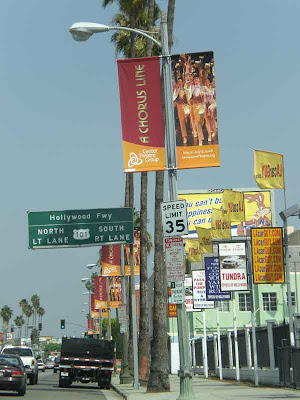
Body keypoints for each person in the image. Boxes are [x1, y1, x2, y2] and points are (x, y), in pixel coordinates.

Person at [189, 75, 206, 145]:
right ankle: (199, 137)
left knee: (199, 122)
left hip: (200, 106)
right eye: (195, 79)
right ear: (193, 80)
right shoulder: (191, 87)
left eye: (197, 79)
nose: (196, 81)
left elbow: (204, 98)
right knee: (195, 121)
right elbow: (189, 96)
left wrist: (202, 104)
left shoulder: (202, 88)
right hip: (193, 105)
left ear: (199, 80)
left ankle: (200, 137)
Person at [173, 78, 189, 144]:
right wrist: (176, 92)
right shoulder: (176, 90)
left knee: (187, 120)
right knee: (182, 121)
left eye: (181, 81)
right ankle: (184, 136)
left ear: (183, 82)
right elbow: (173, 98)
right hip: (179, 105)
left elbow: (189, 97)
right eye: (178, 82)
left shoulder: (186, 90)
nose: (180, 83)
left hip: (186, 106)